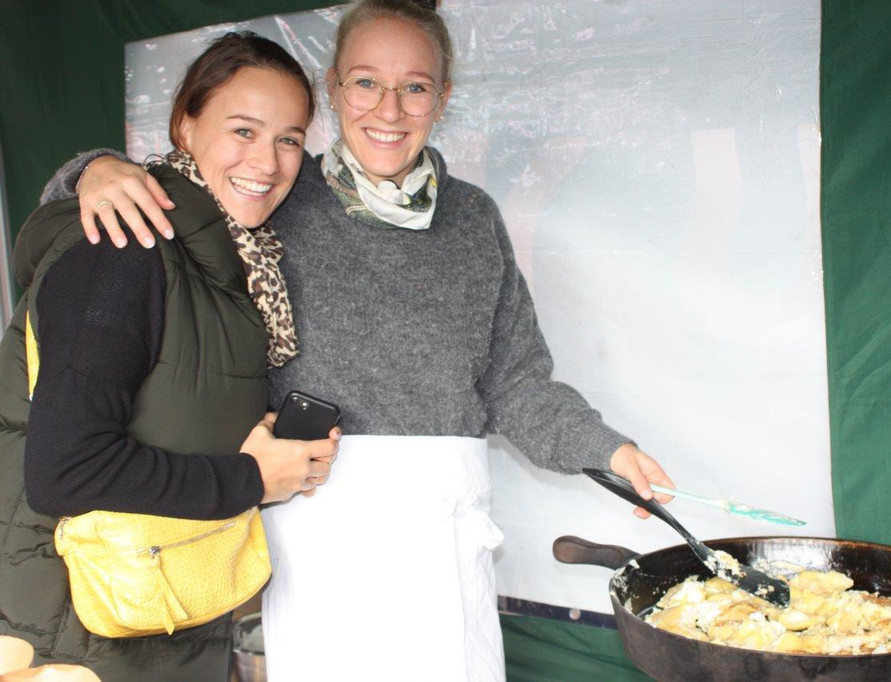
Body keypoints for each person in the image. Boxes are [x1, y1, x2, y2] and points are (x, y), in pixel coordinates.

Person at [39, 1, 676, 679]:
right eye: (367, 82)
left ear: (443, 97)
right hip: (318, 523)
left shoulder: (472, 219)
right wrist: (93, 170)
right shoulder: (276, 194)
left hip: (446, 533)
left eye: (415, 87)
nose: (389, 109)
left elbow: (513, 381)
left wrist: (607, 448)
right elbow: (159, 198)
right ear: (335, 88)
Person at [0, 33, 340, 681]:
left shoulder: (237, 265)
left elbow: (171, 420)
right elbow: (64, 471)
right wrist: (251, 479)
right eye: (243, 130)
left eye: (290, 139)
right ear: (185, 125)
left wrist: (266, 453)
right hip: (70, 636)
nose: (267, 162)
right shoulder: (126, 246)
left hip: (165, 620)